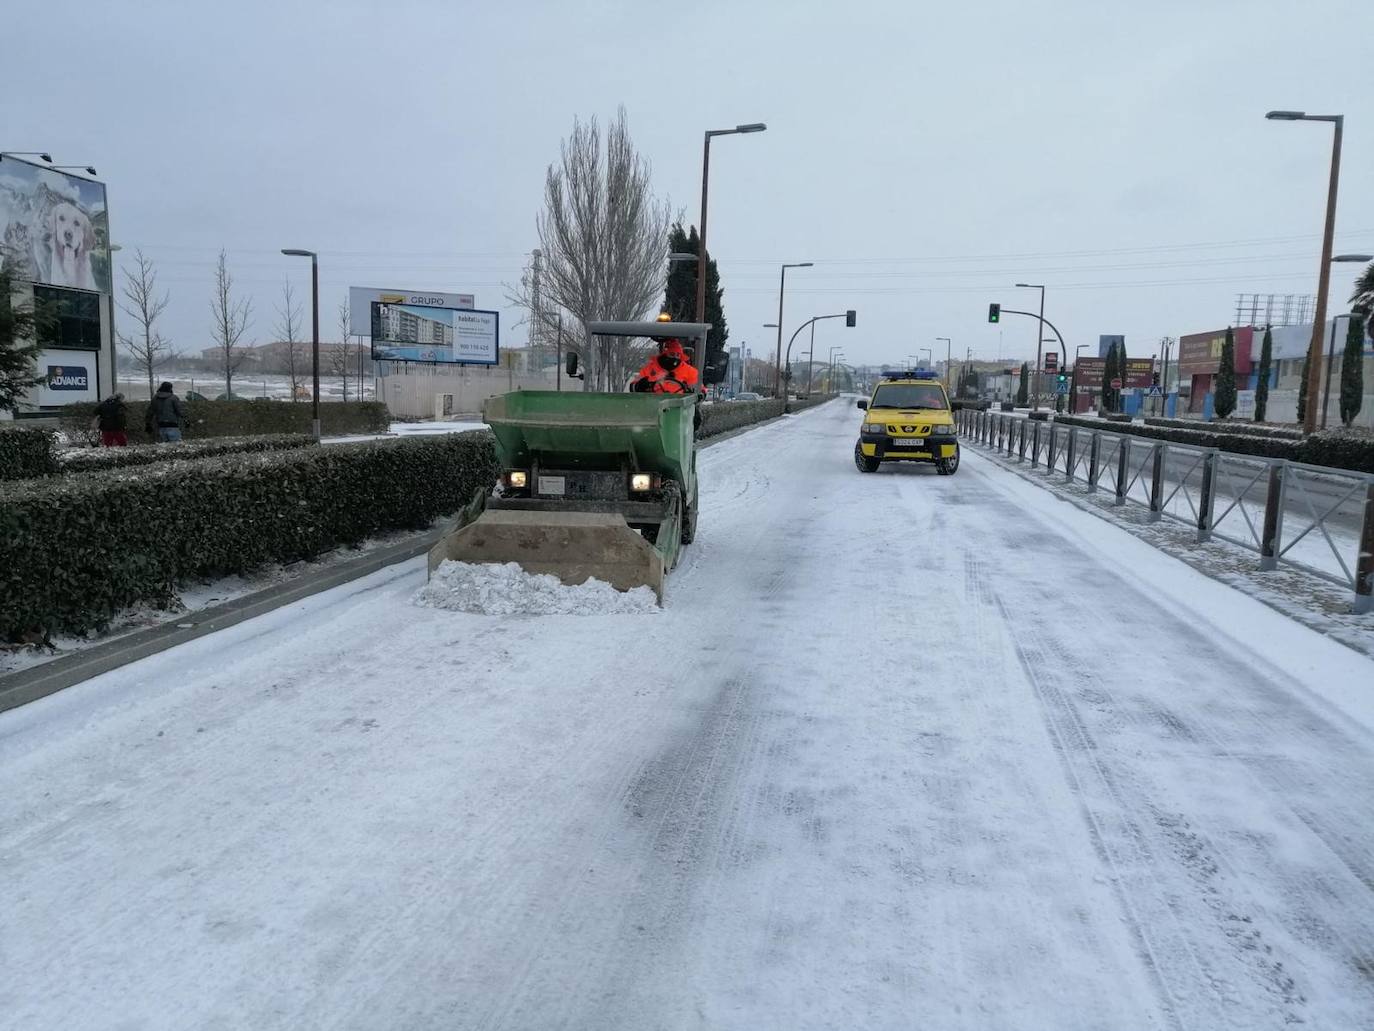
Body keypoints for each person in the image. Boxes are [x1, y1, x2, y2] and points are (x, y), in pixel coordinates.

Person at [630, 338, 701, 395]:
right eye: (672, 354)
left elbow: (700, 391)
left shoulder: (690, 372)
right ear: (665, 354)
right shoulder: (650, 369)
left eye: (678, 355)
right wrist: (640, 386)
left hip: (681, 408)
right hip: (653, 405)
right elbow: (633, 386)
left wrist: (691, 392)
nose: (675, 358)